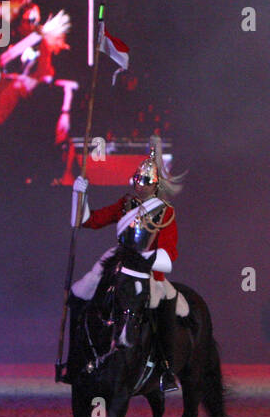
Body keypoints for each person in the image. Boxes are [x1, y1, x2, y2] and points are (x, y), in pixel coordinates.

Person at [64, 137, 186, 389]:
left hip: (148, 271)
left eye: (146, 181)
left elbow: (168, 253)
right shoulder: (125, 204)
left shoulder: (165, 211)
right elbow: (90, 220)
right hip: (118, 262)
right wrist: (79, 194)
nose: (140, 185)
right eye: (138, 179)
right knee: (79, 295)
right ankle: (75, 358)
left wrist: (145, 261)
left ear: (156, 184)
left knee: (164, 307)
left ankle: (164, 367)